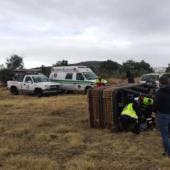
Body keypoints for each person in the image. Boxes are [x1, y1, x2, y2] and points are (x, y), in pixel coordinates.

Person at [154, 74, 170, 157]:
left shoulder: (159, 92)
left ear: (160, 83)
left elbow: (156, 104)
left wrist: (154, 111)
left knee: (165, 135)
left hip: (163, 115)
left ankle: (168, 152)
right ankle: (167, 151)